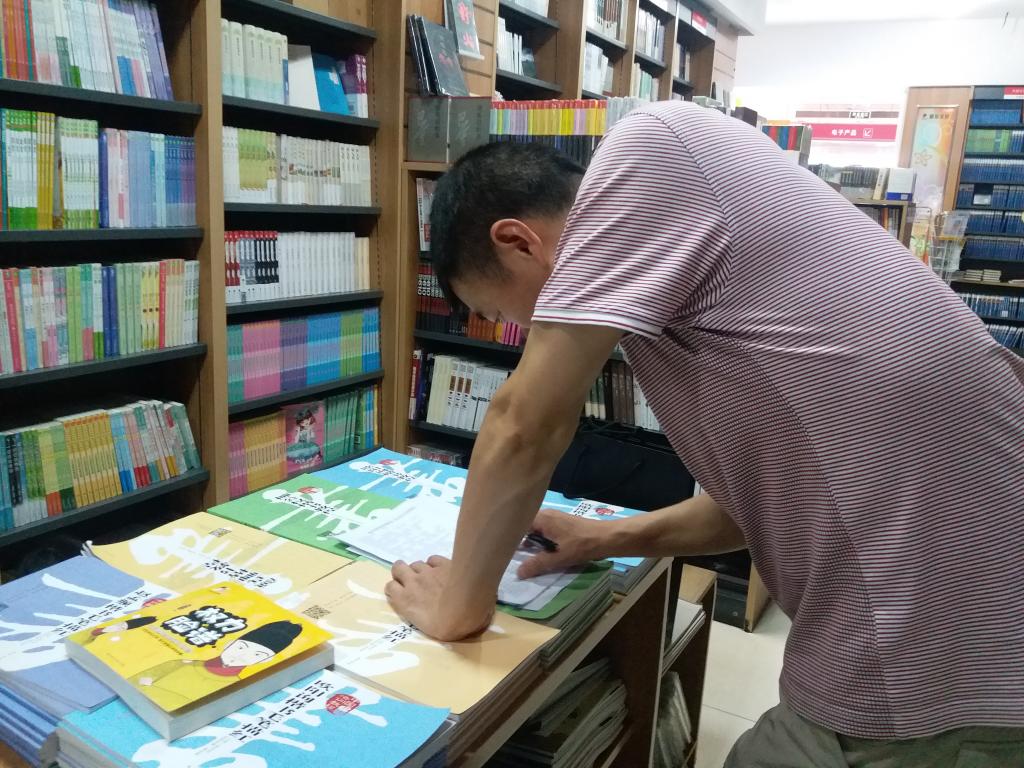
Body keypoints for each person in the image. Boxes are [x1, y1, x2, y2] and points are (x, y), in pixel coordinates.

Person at [384, 101, 1024, 766]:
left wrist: (459, 607)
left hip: (942, 654)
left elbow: (523, 424)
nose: (518, 334)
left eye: (500, 311)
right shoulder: (692, 280)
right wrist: (609, 538)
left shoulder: (652, 147)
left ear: (519, 242)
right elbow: (756, 505)